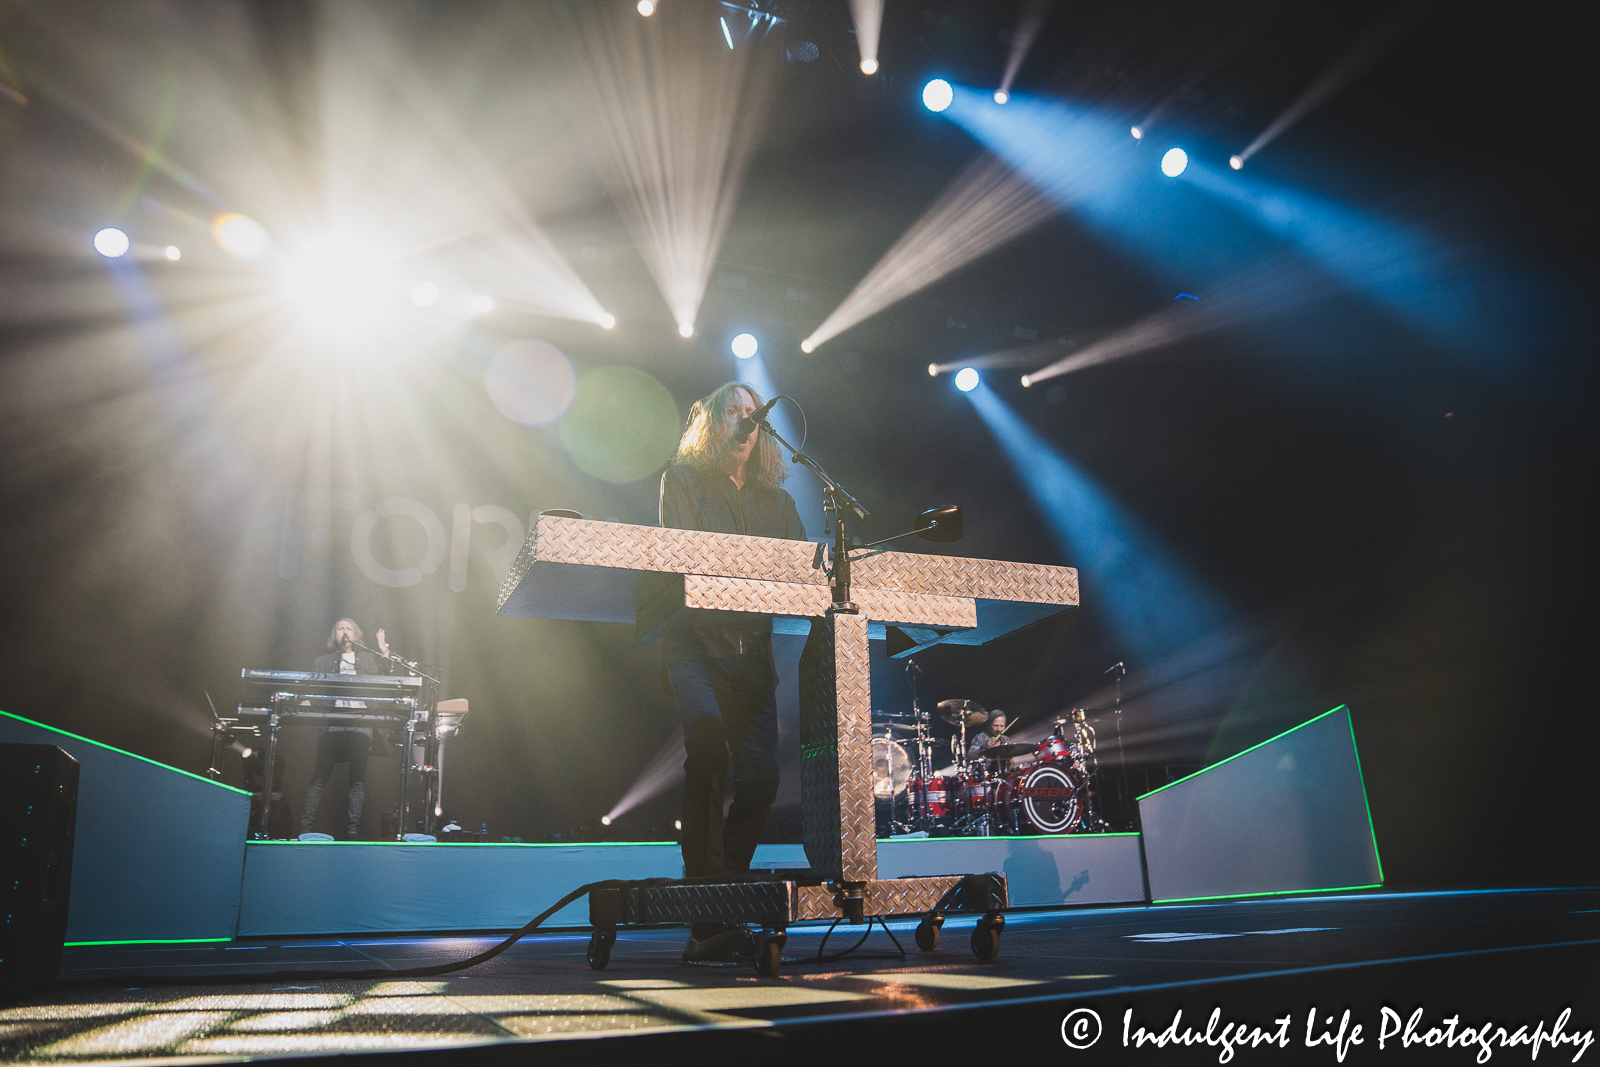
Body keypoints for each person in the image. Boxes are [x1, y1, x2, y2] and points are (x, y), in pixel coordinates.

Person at [658, 382, 808, 962]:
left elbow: (802, 575)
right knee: (711, 756)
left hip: (753, 660)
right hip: (695, 649)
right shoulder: (684, 480)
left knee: (764, 779)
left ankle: (721, 898)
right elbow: (683, 555)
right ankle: (706, 916)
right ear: (713, 422)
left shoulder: (779, 502)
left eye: (753, 414)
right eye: (733, 412)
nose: (745, 422)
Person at [299, 617, 393, 839]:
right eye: (340, 628)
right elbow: (309, 686)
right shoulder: (322, 661)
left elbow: (388, 677)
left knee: (357, 780)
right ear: (334, 635)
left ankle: (352, 832)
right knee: (319, 778)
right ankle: (304, 830)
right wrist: (306, 700)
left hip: (361, 723)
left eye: (348, 628)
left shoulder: (369, 659)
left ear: (356, 635)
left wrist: (383, 650)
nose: (344, 631)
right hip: (333, 722)